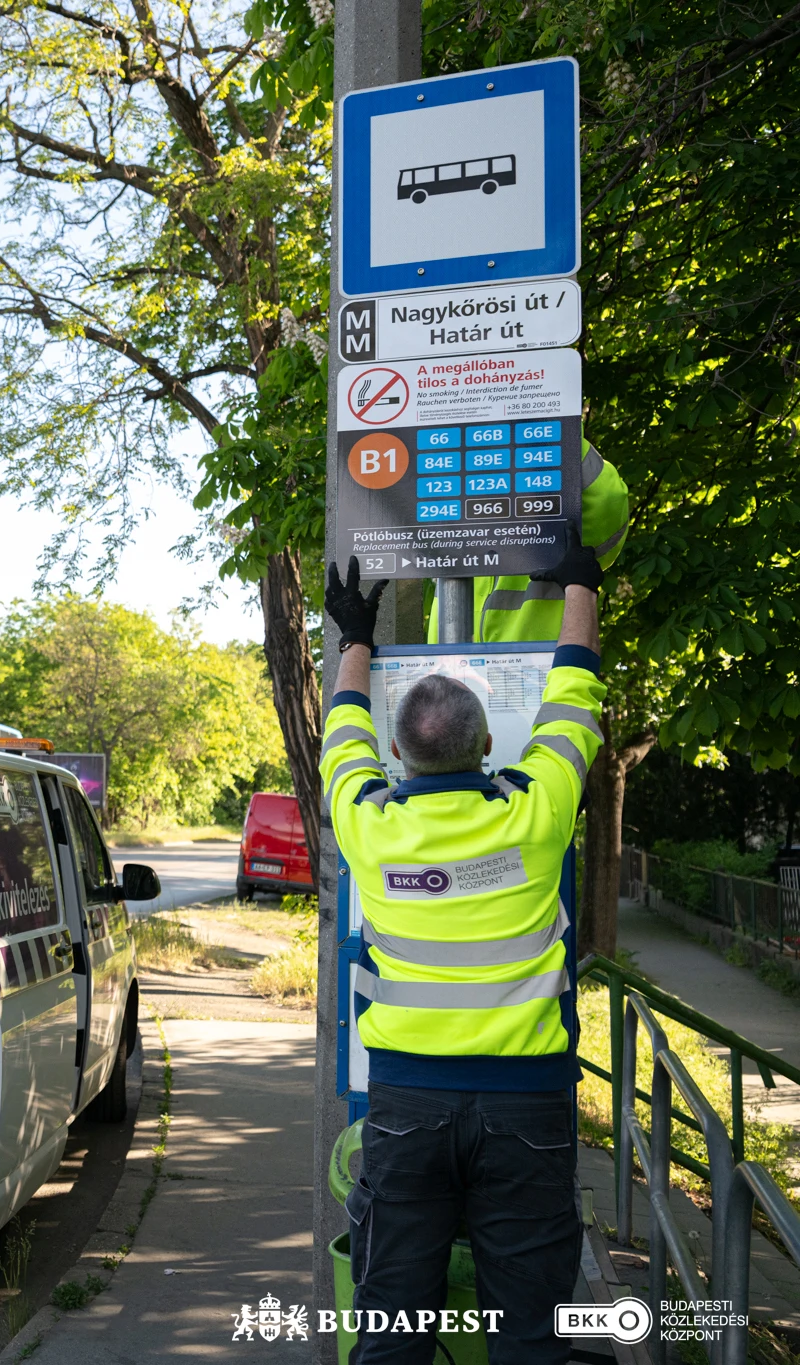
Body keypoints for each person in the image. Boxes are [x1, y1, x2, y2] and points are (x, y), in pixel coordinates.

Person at [322, 543, 606, 1365]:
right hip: (530, 1109)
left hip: (407, 1105)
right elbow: (574, 692)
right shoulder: (537, 810)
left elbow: (342, 732)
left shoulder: (369, 829)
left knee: (391, 1322)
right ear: (489, 748)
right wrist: (581, 581)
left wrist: (354, 633)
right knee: (530, 1331)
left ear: (400, 754)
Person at [426, 442, 627, 641]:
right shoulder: (454, 512)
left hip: (543, 665)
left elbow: (608, 509)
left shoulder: (557, 524)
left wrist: (557, 422)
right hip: (449, 666)